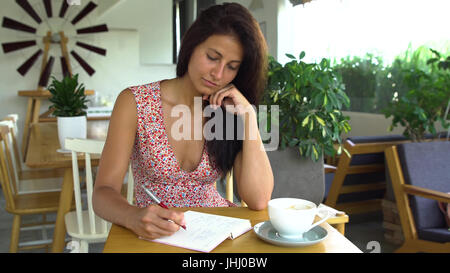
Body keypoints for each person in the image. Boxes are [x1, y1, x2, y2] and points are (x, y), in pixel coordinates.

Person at [92, 2, 274, 240]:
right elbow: (102, 193)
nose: (218, 74)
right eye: (212, 57)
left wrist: (249, 117)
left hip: (216, 234)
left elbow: (259, 199)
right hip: (157, 234)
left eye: (231, 67)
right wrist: (132, 216)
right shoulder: (135, 102)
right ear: (191, 46)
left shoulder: (229, 111)